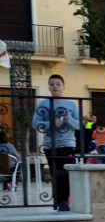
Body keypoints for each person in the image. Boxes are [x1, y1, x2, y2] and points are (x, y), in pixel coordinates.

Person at [32, 74, 79, 211]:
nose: (55, 86)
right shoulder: (43, 104)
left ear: (63, 86)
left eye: (58, 84)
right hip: (49, 144)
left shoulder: (71, 105)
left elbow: (79, 125)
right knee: (55, 173)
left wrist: (68, 118)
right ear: (48, 87)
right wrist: (52, 123)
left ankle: (64, 201)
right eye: (52, 84)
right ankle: (60, 202)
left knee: (67, 173)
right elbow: (35, 124)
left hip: (68, 143)